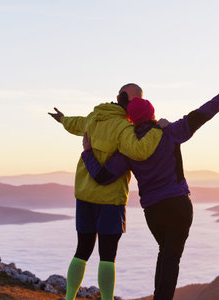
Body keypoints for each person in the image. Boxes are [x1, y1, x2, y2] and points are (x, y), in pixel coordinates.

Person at [81, 74, 219, 300]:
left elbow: (102, 176)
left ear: (131, 119)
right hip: (179, 205)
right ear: (152, 113)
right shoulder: (170, 132)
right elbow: (202, 114)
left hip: (153, 211)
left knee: (165, 254)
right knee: (171, 258)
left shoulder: (128, 149)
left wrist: (88, 153)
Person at [48, 83, 164, 300]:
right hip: (110, 200)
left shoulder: (94, 117)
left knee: (82, 250)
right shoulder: (123, 128)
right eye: (136, 100)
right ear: (128, 101)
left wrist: (62, 119)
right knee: (107, 256)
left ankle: (70, 297)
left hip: (84, 195)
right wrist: (157, 129)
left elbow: (77, 123)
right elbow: (140, 151)